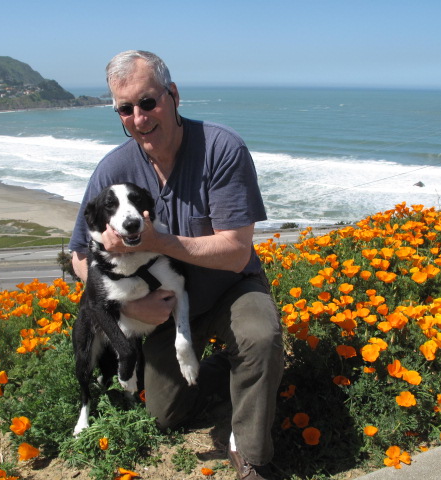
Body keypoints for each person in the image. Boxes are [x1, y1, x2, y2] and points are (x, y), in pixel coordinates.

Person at [69, 50, 283, 480]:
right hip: (163, 308)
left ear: (173, 96)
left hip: (229, 288)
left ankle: (251, 454)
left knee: (260, 336)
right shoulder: (113, 170)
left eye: (148, 102)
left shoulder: (221, 148)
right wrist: (127, 305)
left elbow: (236, 251)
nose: (138, 118)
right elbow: (79, 255)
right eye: (125, 109)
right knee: (165, 413)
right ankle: (236, 373)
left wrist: (159, 241)